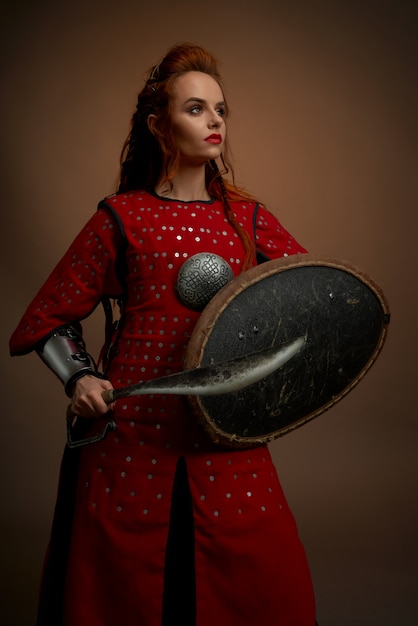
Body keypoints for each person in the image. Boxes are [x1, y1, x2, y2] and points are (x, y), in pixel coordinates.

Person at [9, 43, 317, 626]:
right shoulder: (120, 216)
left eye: (220, 109)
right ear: (159, 124)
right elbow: (50, 316)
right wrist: (78, 376)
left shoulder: (247, 219)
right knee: (130, 591)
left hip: (223, 432)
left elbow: (313, 298)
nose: (215, 121)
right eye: (196, 108)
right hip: (130, 438)